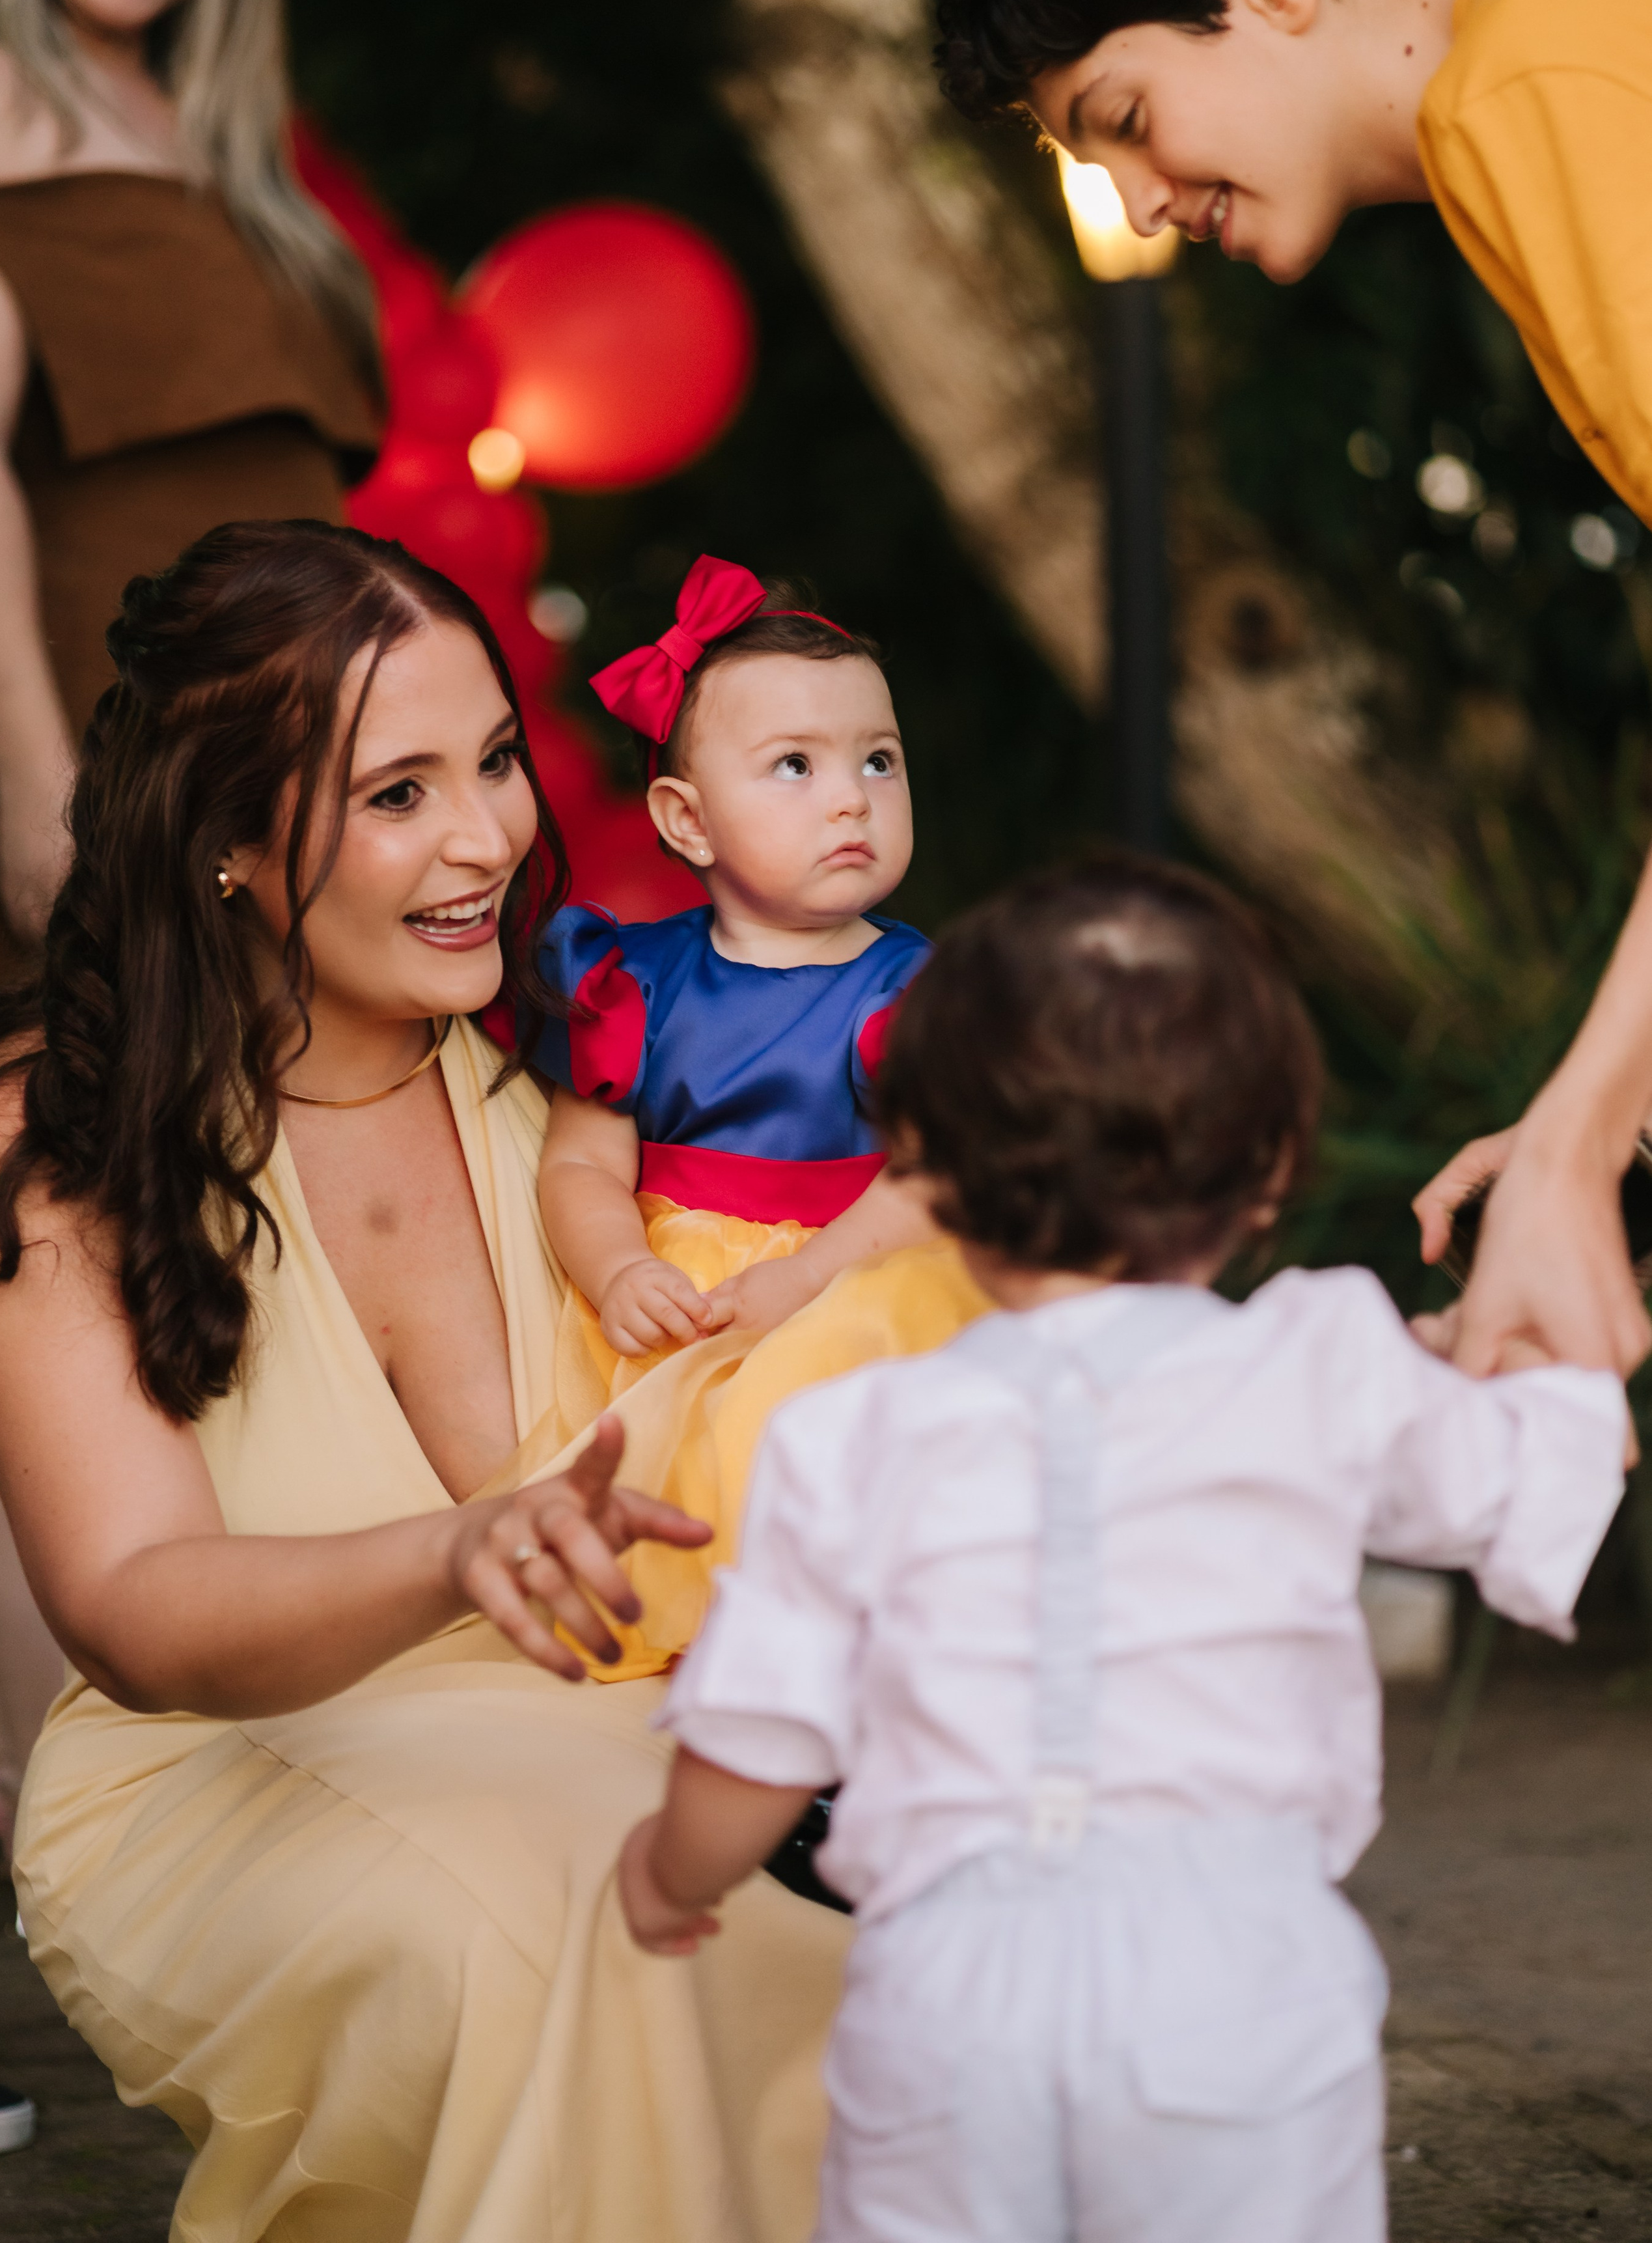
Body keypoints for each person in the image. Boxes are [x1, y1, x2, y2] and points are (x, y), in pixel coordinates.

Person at [0, 518, 849, 2242]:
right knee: (583, 1921)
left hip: (631, 1718)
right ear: (229, 843)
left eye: (497, 764)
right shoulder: (48, 1143)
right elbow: (137, 1607)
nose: (484, 840)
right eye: (398, 795)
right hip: (219, 1769)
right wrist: (458, 1553)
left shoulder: (594, 1081)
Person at [618, 853, 1632, 2243]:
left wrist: (668, 1874)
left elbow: (756, 1738)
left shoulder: (852, 1434)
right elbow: (1538, 1474)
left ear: (928, 1178)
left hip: (945, 1990)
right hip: (1242, 1983)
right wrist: (1542, 1334)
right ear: (1271, 1165)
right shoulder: (1321, 1363)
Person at [935, 0, 1652, 1385]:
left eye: (1117, 120)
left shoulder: (1527, 87)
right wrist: (1585, 1118)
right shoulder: (1551, 59)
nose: (1135, 195)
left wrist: (1576, 1140)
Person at [0, 0, 379, 1865]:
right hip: (81, 799)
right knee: (49, 1292)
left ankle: (164, 1863)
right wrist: (41, 787)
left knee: (196, 1278)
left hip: (267, 829)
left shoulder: (220, 149)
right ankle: (78, 1872)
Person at [525, 556, 989, 1678]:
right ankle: (716, 1672)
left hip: (867, 1267)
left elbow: (937, 1180)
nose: (851, 798)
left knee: (816, 1412)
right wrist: (619, 1268)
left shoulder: (914, 993)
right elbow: (581, 1169)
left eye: (879, 762)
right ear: (687, 821)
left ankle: (843, 1675)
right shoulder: (631, 984)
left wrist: (808, 1274)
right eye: (794, 766)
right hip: (686, 1287)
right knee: (648, 1454)